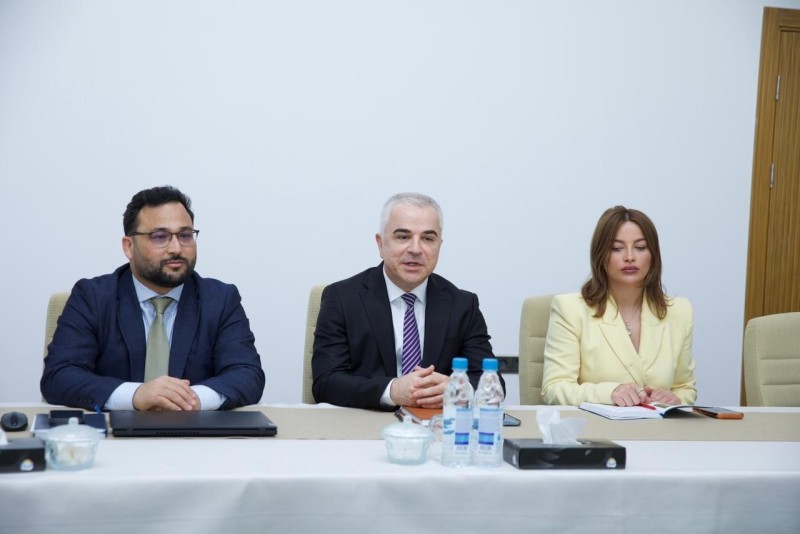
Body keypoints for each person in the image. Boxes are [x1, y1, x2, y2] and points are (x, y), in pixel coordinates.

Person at [41, 186, 265, 411]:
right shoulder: (92, 298)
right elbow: (59, 376)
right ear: (129, 246)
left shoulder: (221, 300)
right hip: (114, 430)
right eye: (160, 237)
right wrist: (135, 395)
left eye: (185, 235)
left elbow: (247, 375)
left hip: (193, 429)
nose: (176, 248)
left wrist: (189, 399)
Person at [312, 192, 502, 410]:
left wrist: (459, 389)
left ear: (439, 245)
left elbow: (492, 383)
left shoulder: (462, 305)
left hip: (437, 425)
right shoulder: (341, 298)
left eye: (428, 239)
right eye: (403, 237)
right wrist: (391, 391)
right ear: (380, 244)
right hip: (365, 423)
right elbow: (325, 383)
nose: (415, 249)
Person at [541, 206, 697, 407]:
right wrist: (609, 393)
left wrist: (675, 399)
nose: (630, 257)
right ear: (600, 255)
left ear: (653, 255)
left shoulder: (679, 311)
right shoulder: (570, 309)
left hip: (656, 425)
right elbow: (554, 388)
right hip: (596, 425)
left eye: (640, 247)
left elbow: (684, 386)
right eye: (617, 248)